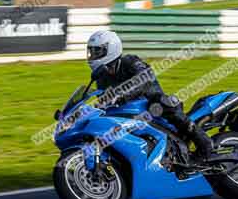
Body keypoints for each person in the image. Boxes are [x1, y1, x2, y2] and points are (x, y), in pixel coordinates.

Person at [86, 30, 214, 163]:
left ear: (111, 49)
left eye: (97, 51)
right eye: (91, 51)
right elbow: (102, 97)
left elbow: (145, 79)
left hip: (152, 104)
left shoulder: (130, 61)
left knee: (161, 103)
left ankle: (204, 143)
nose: (93, 55)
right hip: (128, 113)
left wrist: (122, 95)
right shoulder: (101, 77)